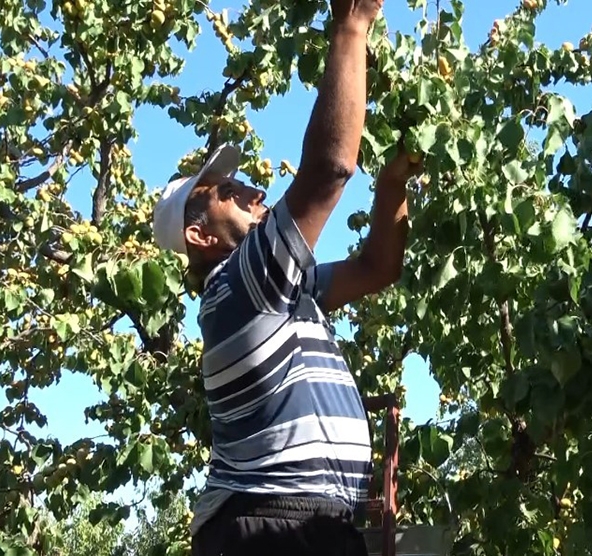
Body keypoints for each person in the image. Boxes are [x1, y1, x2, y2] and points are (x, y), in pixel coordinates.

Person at [149, 0, 419, 552]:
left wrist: (393, 185)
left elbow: (377, 268)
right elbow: (327, 170)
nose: (252, 191)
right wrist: (351, 26)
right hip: (270, 525)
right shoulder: (238, 287)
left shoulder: (280, 292)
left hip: (307, 525)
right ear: (200, 236)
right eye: (228, 192)